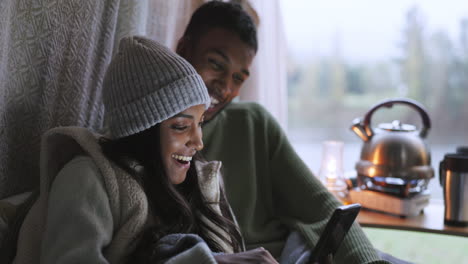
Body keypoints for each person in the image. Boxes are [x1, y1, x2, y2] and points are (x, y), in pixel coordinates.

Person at [176, 1, 394, 263]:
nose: (225, 86)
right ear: (184, 50)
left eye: (238, 78)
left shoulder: (254, 123)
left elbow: (320, 207)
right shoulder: (151, 138)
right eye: (216, 64)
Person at [12, 36, 258, 264]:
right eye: (182, 126)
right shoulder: (87, 179)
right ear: (143, 130)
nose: (198, 142)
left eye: (200, 123)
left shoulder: (203, 183)